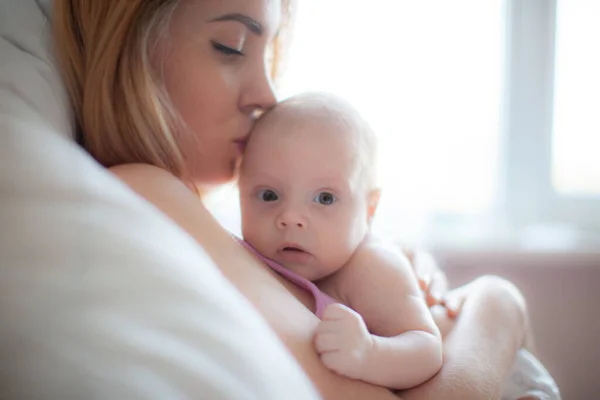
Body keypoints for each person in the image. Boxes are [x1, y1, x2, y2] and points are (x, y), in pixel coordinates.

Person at [53, 0, 541, 398]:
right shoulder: (147, 192)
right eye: (231, 46)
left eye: (269, 56)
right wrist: (496, 306)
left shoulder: (204, 220)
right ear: (132, 47)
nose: (267, 94)